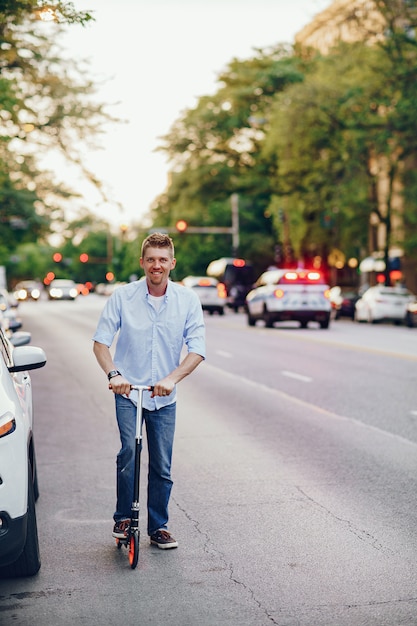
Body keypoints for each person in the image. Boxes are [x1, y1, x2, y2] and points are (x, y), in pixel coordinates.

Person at [92, 232, 206, 549]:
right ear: (143, 262)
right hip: (128, 392)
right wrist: (114, 373)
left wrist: (172, 378)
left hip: (163, 396)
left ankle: (159, 526)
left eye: (162, 259)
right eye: (151, 259)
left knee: (162, 465)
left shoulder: (187, 300)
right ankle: (123, 518)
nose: (157, 265)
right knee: (129, 451)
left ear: (172, 263)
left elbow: (197, 349)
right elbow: (101, 342)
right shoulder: (122, 297)